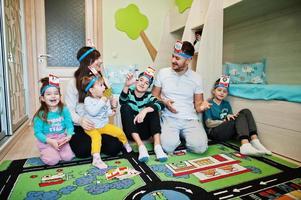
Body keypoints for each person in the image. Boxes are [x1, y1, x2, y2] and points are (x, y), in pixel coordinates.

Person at [152, 41, 210, 154]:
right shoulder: (163, 73)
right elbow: (154, 95)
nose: (173, 60)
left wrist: (202, 106)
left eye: (177, 58)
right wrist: (164, 102)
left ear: (188, 60)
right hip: (169, 118)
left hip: (190, 119)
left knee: (200, 148)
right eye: (173, 56)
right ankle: (176, 137)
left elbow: (198, 106)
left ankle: (185, 136)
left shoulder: (197, 78)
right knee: (167, 147)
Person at [65, 46, 123, 158]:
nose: (101, 61)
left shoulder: (104, 80)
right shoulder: (72, 83)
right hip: (81, 125)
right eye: (97, 58)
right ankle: (93, 145)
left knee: (115, 148)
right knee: (83, 151)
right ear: (87, 62)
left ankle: (96, 144)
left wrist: (113, 102)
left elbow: (109, 97)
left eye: (100, 57)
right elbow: (69, 110)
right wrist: (80, 120)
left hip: (99, 124)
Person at [203, 77, 272, 156]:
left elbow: (232, 118)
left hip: (226, 131)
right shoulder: (209, 103)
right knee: (238, 117)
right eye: (219, 90)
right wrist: (224, 121)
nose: (222, 93)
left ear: (227, 94)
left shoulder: (226, 104)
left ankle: (255, 141)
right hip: (214, 133)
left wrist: (230, 116)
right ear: (213, 91)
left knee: (246, 111)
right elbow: (208, 123)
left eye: (224, 91)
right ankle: (245, 145)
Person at [80, 75, 132, 169]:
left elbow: (106, 112)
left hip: (103, 125)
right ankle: (96, 159)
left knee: (118, 131)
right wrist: (103, 100)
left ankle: (125, 144)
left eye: (104, 85)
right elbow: (93, 112)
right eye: (101, 85)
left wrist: (112, 110)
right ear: (91, 90)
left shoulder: (105, 99)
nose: (104, 87)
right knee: (96, 137)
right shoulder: (88, 100)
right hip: (91, 127)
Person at [120, 67, 168, 162]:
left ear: (148, 87)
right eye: (141, 80)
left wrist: (145, 110)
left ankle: (157, 146)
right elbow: (122, 100)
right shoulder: (129, 93)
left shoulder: (149, 96)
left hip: (146, 132)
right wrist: (126, 86)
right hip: (131, 131)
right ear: (137, 81)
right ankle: (141, 147)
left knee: (153, 107)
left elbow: (162, 104)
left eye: (146, 83)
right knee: (125, 107)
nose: (142, 84)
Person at [33, 76, 75, 165]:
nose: (53, 96)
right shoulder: (40, 115)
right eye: (48, 94)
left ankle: (58, 152)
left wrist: (69, 135)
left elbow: (69, 125)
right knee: (53, 160)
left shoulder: (64, 110)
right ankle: (46, 152)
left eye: (56, 93)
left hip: (61, 139)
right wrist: (50, 141)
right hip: (48, 141)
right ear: (42, 98)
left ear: (60, 96)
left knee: (68, 157)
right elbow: (38, 133)